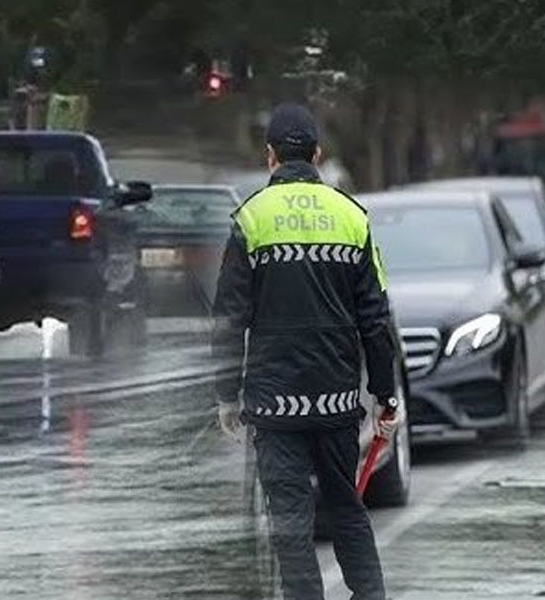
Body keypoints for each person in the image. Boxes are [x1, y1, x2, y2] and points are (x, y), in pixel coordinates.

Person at [211, 103, 405, 600]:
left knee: (290, 524)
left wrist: (226, 396)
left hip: (275, 405)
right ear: (317, 155)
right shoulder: (351, 217)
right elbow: (375, 318)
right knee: (347, 509)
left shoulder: (251, 218)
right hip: (337, 400)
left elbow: (229, 318)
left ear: (270, 155)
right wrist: (385, 395)